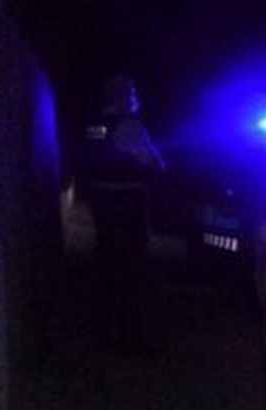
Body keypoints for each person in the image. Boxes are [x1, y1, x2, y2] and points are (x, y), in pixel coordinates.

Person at [79, 74, 163, 352]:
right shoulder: (130, 127)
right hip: (127, 203)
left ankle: (101, 331)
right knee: (131, 271)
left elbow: (90, 159)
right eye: (133, 93)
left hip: (102, 202)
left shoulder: (95, 124)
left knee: (107, 265)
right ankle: (131, 336)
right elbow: (153, 163)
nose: (136, 99)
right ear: (125, 97)